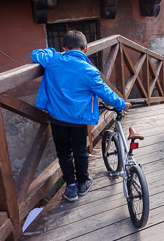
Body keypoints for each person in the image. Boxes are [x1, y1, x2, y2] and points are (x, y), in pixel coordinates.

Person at [31, 30, 132, 202]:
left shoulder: (53, 60)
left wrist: (53, 52)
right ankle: (83, 182)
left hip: (57, 118)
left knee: (63, 153)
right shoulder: (88, 70)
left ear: (64, 48)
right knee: (80, 150)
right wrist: (121, 104)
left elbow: (35, 54)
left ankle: (71, 187)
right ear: (85, 49)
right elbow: (105, 92)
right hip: (79, 120)